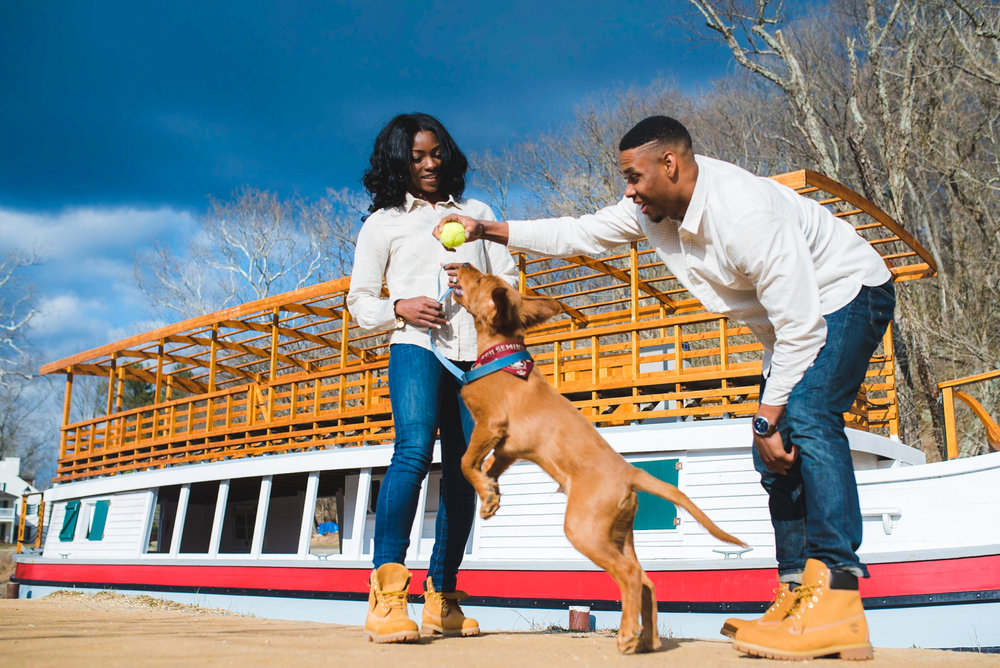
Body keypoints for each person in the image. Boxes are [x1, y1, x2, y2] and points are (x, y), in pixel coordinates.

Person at [436, 116, 894, 661]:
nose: (628, 191)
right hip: (789, 326)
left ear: (670, 164)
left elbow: (803, 327)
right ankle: (796, 593)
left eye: (633, 177)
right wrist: (489, 230)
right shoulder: (654, 212)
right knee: (771, 454)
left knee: (811, 417)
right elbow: (579, 233)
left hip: (845, 295)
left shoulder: (744, 214)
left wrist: (768, 414)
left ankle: (837, 595)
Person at [347, 113, 517, 644]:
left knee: (465, 470)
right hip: (416, 348)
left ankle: (441, 598)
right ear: (399, 160)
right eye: (417, 155)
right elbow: (358, 302)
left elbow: (509, 284)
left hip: (475, 358)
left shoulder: (478, 215)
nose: (428, 164)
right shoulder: (383, 223)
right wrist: (400, 307)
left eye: (436, 153)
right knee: (414, 452)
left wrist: (481, 289)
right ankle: (387, 596)